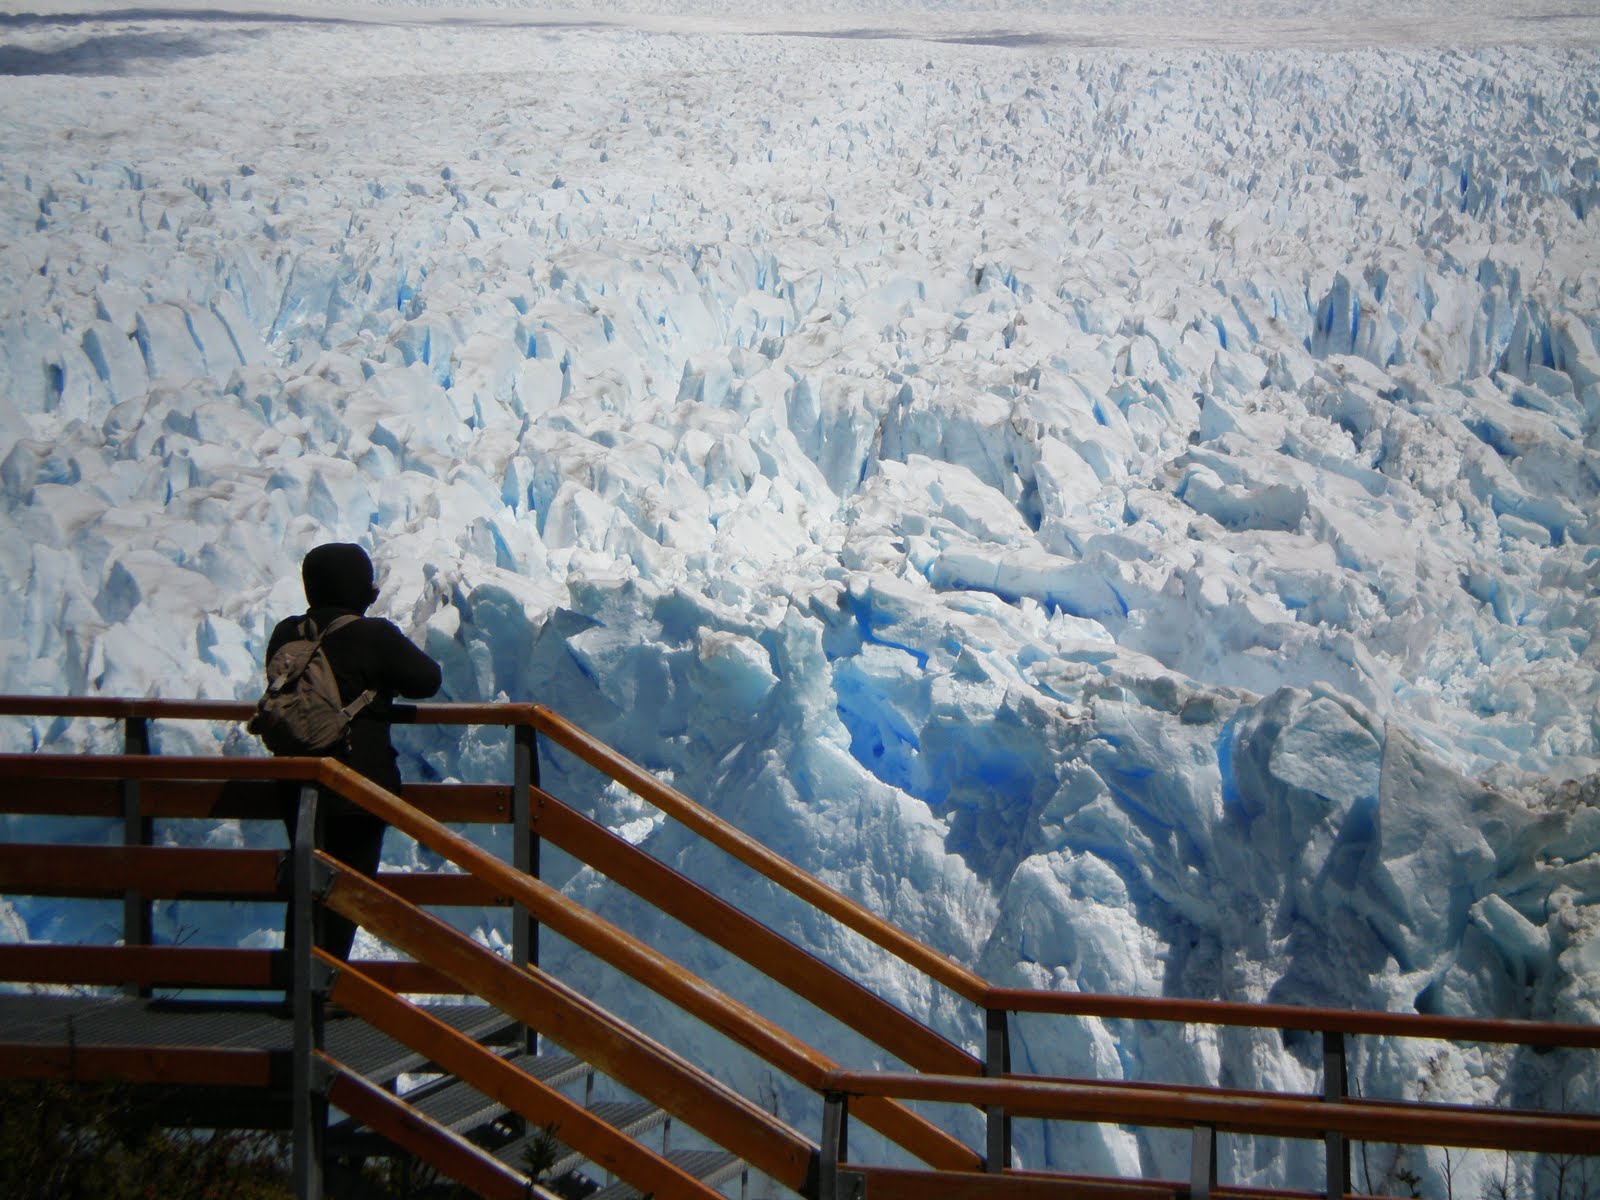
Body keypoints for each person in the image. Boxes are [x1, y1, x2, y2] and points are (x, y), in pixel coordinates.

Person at [265, 541, 442, 961]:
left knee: (307, 883)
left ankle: (299, 986)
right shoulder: (373, 636)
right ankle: (322, 991)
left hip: (295, 784)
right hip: (356, 787)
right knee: (345, 889)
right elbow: (427, 679)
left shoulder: (286, 634)